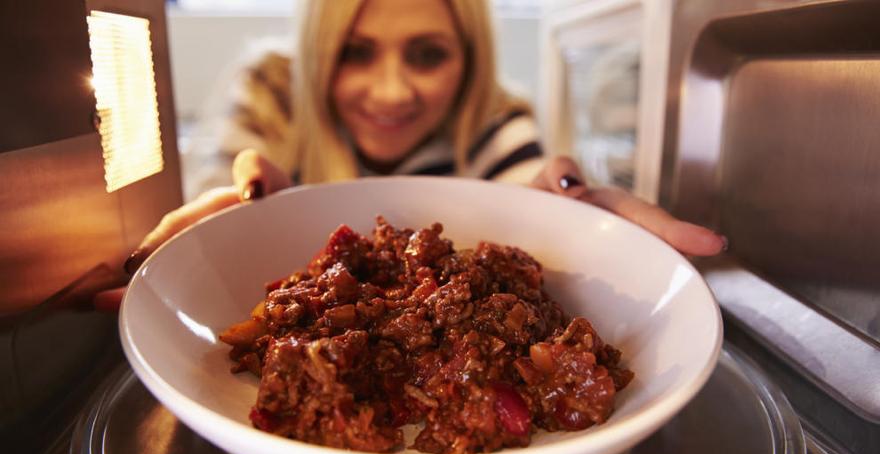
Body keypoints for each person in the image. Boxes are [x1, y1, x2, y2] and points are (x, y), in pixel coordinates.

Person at [95, 0, 724, 310]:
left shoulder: (495, 119)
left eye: (427, 55)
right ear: (318, 53)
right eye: (356, 52)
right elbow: (214, 204)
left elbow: (525, 198)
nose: (392, 91)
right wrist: (238, 221)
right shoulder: (271, 89)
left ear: (468, 58)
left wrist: (576, 223)